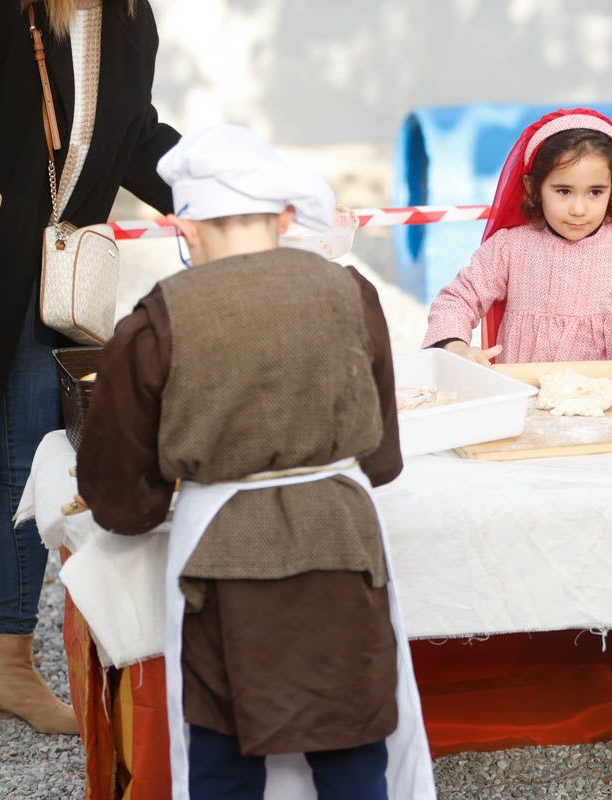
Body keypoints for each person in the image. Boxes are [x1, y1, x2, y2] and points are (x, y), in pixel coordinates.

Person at [75, 125, 434, 800]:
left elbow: (122, 499)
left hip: (221, 561)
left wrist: (160, 496)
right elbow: (381, 457)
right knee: (351, 738)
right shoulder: (350, 292)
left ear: (186, 227)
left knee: (222, 750)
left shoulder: (157, 321)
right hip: (343, 547)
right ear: (287, 218)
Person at [0, 0, 180, 735]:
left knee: (38, 456)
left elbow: (137, 133)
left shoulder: (128, 18)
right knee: (22, 459)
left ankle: (10, 663)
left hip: (55, 278)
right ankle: (8, 666)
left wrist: (218, 196)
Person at [422, 107, 612, 380]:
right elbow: (456, 300)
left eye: (595, 192)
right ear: (533, 188)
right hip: (535, 400)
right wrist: (457, 347)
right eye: (563, 191)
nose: (579, 209)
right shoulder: (509, 248)